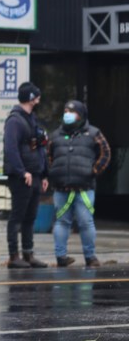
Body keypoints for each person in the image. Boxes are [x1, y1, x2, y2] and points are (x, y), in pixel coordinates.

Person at [47, 99, 112, 268]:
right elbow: (48, 156)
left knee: (85, 222)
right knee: (62, 222)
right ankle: (61, 257)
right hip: (61, 188)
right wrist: (54, 172)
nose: (67, 114)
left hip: (84, 187)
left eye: (72, 112)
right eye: (65, 111)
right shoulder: (56, 135)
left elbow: (105, 153)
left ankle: (90, 257)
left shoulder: (93, 133)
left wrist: (94, 171)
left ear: (81, 115)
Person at [3, 81, 50, 268]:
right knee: (17, 216)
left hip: (36, 176)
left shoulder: (32, 119)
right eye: (36, 95)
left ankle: (28, 254)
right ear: (30, 98)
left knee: (30, 217)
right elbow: (10, 149)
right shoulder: (15, 120)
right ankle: (14, 256)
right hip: (22, 177)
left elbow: (40, 149)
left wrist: (44, 174)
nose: (39, 99)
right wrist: (22, 172)